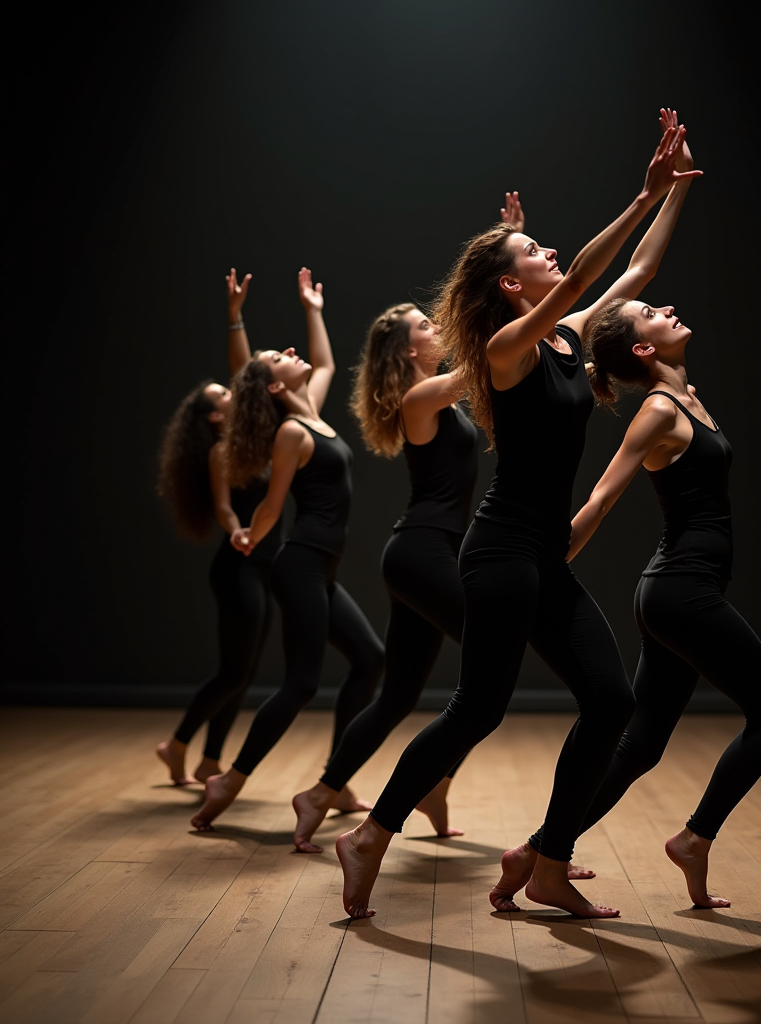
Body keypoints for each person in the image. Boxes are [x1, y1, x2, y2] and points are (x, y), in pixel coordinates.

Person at [336, 113, 701, 919]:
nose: (549, 254)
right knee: (480, 707)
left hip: (544, 557)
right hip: (497, 552)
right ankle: (369, 834)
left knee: (610, 700)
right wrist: (638, 196)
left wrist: (671, 192)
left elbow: (631, 273)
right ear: (510, 288)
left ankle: (548, 862)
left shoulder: (570, 339)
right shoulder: (506, 351)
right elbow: (573, 287)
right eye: (532, 253)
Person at [289, 196, 540, 852]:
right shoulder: (419, 400)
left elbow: (479, 361)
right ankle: (423, 782)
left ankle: (322, 792)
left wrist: (508, 244)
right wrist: (501, 268)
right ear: (408, 348)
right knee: (492, 669)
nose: (435, 324)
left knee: (398, 694)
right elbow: (483, 357)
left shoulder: (439, 396)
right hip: (426, 553)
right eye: (423, 325)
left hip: (423, 555)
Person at [561, 260, 761, 909]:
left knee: (640, 746)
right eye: (652, 314)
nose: (666, 310)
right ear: (643, 349)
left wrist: (673, 190)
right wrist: (550, 565)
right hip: (680, 592)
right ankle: (695, 837)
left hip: (678, 592)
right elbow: (602, 499)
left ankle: (543, 847)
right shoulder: (660, 412)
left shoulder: (687, 397)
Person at [190, 268, 384, 830]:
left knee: (370, 660)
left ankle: (336, 780)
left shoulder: (311, 414)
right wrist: (250, 531)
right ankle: (232, 778)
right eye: (281, 357)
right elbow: (273, 505)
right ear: (274, 386)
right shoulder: (290, 433)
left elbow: (323, 364)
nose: (293, 353)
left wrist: (313, 308)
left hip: (320, 568)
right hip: (298, 565)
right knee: (301, 683)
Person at [155, 269, 279, 785]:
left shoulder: (257, 437)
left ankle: (209, 761)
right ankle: (176, 744)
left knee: (245, 673)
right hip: (239, 564)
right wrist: (238, 531)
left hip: (264, 561)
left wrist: (235, 317)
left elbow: (245, 378)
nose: (233, 395)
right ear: (212, 418)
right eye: (221, 398)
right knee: (234, 670)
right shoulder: (222, 450)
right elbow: (226, 508)